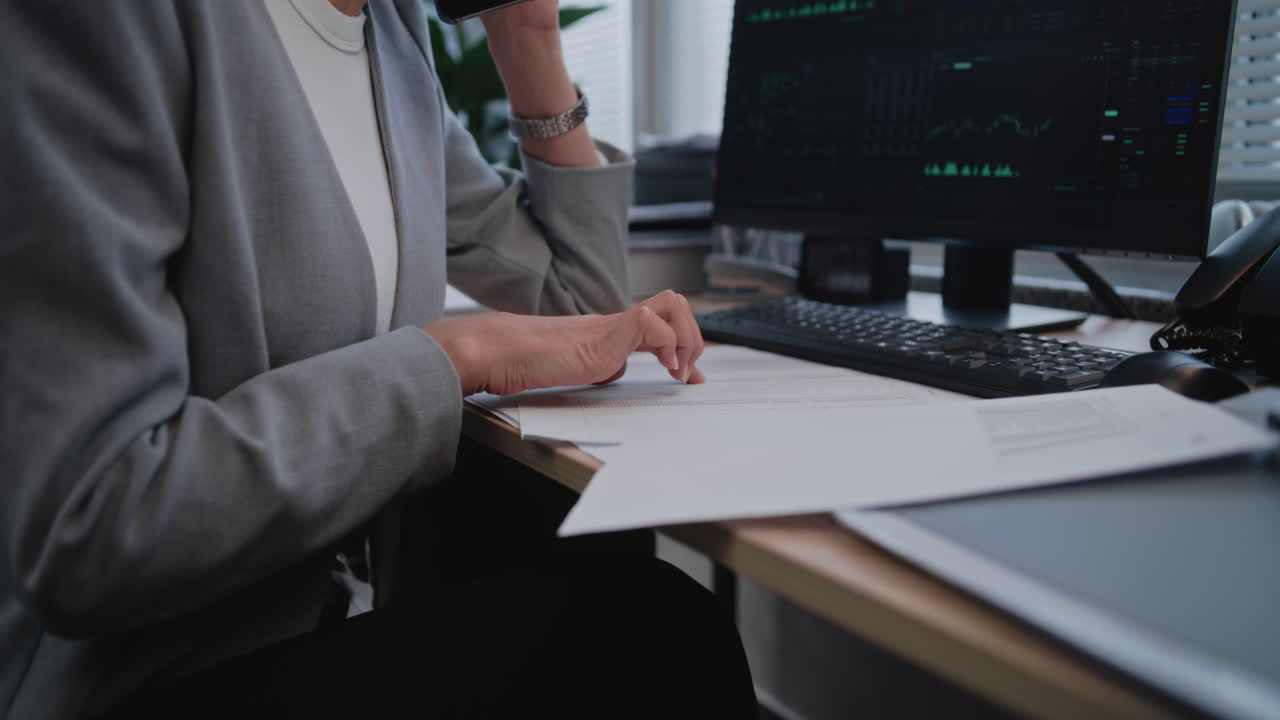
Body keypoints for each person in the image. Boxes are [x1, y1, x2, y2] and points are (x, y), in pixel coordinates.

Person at [0, 1, 755, 717]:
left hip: (343, 605)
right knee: (658, 635)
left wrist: (530, 38)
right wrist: (453, 356)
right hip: (160, 669)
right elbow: (91, 530)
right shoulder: (120, 19)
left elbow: (577, 301)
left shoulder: (390, 35)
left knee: (595, 542)